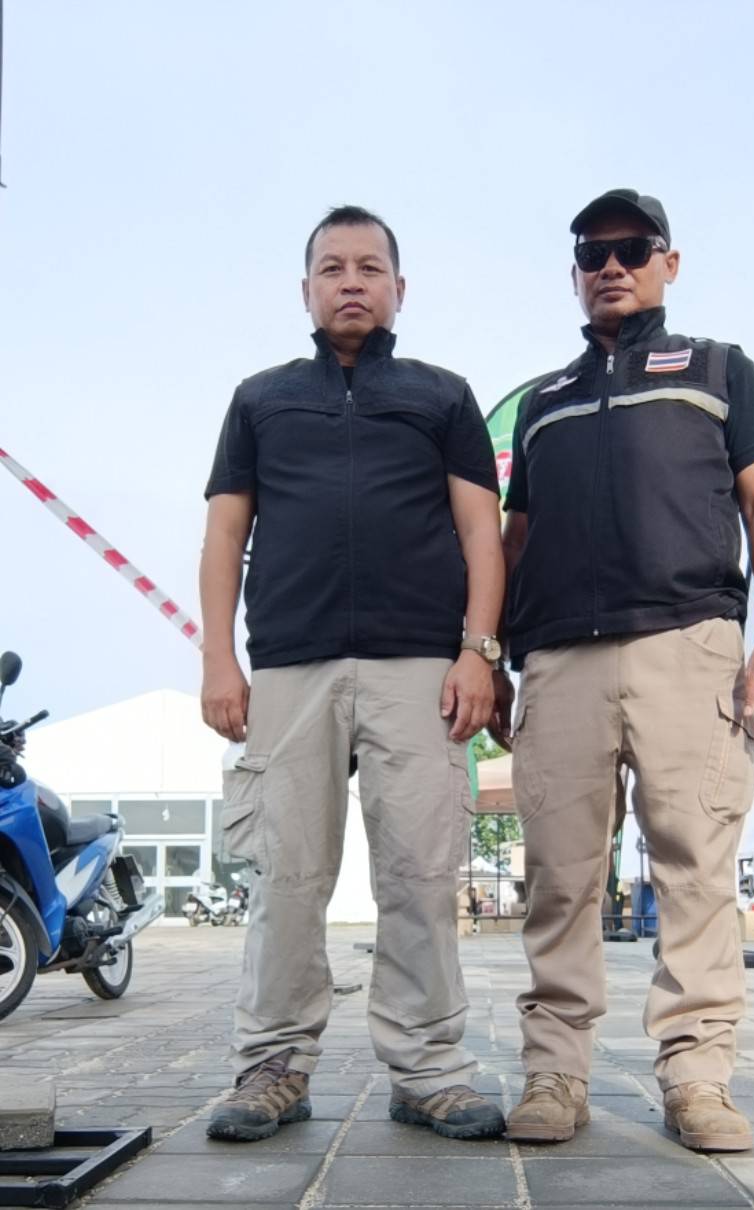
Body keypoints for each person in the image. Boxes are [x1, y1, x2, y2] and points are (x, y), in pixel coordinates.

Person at [495, 188, 754, 1152]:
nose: (613, 266)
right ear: (574, 276)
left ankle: (698, 1078)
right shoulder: (542, 402)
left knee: (695, 872)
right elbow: (514, 539)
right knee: (560, 880)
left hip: (689, 648)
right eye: (594, 254)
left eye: (633, 248)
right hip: (560, 663)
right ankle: (554, 1073)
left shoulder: (720, 369)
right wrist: (493, 654)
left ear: (670, 262)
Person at [200, 205, 506, 1143]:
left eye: (370, 268)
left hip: (419, 665)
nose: (351, 282)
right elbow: (224, 535)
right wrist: (219, 658)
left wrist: (479, 650)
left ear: (398, 289)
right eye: (332, 268)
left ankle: (428, 1070)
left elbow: (480, 532)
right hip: (290, 666)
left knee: (419, 875)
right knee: (287, 877)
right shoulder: (260, 399)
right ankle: (273, 1065)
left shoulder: (441, 396)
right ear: (306, 290)